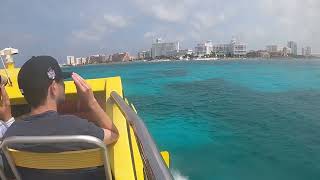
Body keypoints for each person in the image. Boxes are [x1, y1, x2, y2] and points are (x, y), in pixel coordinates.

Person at [2, 56, 119, 179]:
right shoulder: (77, 128)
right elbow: (113, 134)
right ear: (53, 88)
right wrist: (91, 103)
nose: (63, 84)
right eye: (61, 81)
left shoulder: (10, 137)